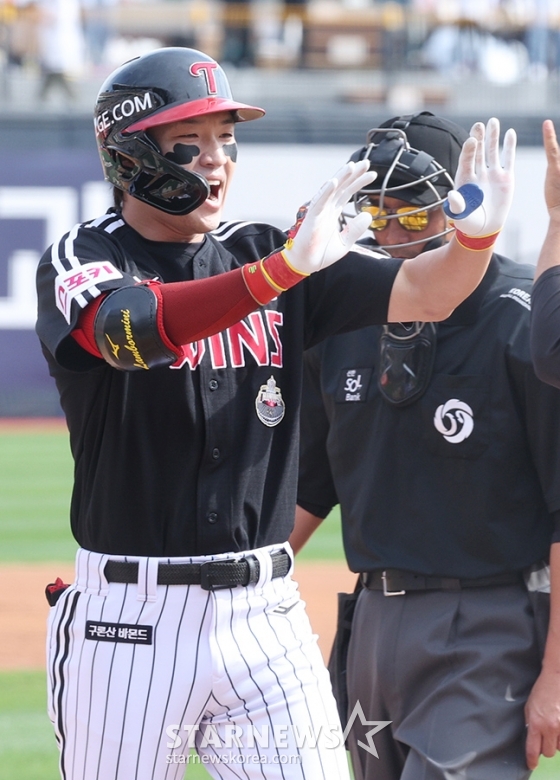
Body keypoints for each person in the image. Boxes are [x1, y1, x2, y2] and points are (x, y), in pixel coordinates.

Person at [35, 46, 515, 780]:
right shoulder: (87, 255)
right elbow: (128, 330)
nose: (218, 160)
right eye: (188, 144)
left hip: (264, 617)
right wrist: (282, 272)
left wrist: (476, 235)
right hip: (129, 623)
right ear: (132, 157)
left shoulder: (264, 250)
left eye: (228, 140)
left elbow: (428, 292)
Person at [291, 111, 560, 779]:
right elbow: (302, 492)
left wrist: (555, 677)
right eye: (375, 217)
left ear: (465, 210)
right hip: (371, 625)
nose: (390, 236)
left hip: (487, 626)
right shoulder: (341, 320)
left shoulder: (523, 326)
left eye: (411, 218)